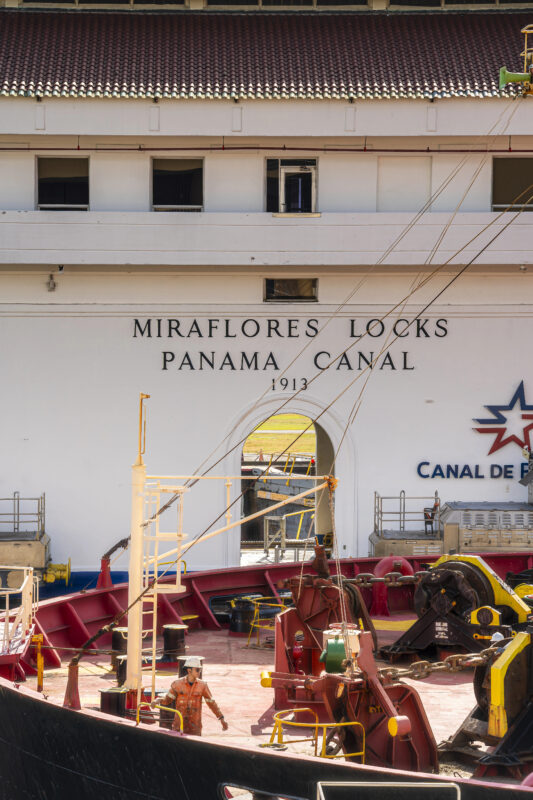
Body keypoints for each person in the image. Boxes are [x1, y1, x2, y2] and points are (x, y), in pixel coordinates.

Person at [153, 656, 228, 735]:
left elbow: (211, 703)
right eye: (197, 670)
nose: (199, 672)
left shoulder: (203, 685)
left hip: (194, 728)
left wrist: (221, 718)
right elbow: (167, 700)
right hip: (179, 727)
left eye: (200, 670)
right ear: (189, 670)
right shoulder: (177, 684)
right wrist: (158, 700)